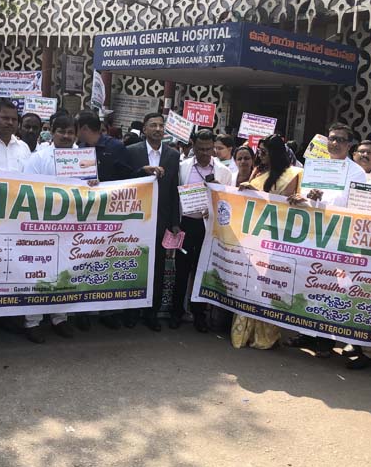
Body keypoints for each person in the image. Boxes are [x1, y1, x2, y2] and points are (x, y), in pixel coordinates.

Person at [289, 123, 366, 357]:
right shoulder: (315, 166)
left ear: (349, 145)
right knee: (307, 283)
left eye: (341, 140)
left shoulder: (356, 172)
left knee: (329, 289)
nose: (335, 143)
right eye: (332, 138)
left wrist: (324, 201)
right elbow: (305, 195)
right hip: (312, 236)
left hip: (336, 239)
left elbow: (354, 205)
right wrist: (304, 198)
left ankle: (324, 339)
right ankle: (305, 332)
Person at [231, 135, 303, 349]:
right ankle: (245, 333)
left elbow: (282, 208)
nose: (260, 155)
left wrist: (257, 194)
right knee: (249, 283)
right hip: (253, 236)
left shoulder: (291, 174)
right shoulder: (258, 171)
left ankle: (266, 336)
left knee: (268, 285)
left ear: (275, 153)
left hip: (274, 239)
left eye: (264, 152)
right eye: (259, 151)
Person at [21, 113, 83, 341]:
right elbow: (28, 189)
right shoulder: (38, 158)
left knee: (66, 271)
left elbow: (89, 189)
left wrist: (92, 184)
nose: (66, 136)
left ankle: (60, 317)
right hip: (43, 225)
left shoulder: (83, 157)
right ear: (52, 133)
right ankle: (33, 321)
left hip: (71, 227)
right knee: (39, 273)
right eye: (61, 131)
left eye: (70, 132)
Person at [76, 111, 133, 329]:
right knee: (84, 262)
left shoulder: (116, 148)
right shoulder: (78, 150)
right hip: (84, 218)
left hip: (111, 218)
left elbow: (129, 180)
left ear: (84, 128)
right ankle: (82, 311)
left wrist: (104, 185)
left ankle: (108, 311)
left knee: (107, 261)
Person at [125, 112, 181, 331]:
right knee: (134, 266)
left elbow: (174, 190)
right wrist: (142, 171)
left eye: (161, 125)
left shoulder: (173, 155)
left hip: (160, 221)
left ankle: (152, 313)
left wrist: (174, 223)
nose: (158, 129)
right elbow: (124, 180)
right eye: (153, 125)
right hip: (135, 220)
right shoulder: (132, 151)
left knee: (157, 269)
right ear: (144, 129)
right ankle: (131, 312)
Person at [172, 129, 232, 332]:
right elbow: (175, 195)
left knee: (202, 272)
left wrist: (216, 199)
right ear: (193, 147)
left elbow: (229, 204)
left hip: (208, 228)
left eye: (208, 149)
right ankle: (176, 312)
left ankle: (199, 315)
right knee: (181, 271)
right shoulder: (183, 167)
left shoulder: (224, 172)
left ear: (213, 147)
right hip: (186, 224)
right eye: (200, 149)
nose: (205, 153)